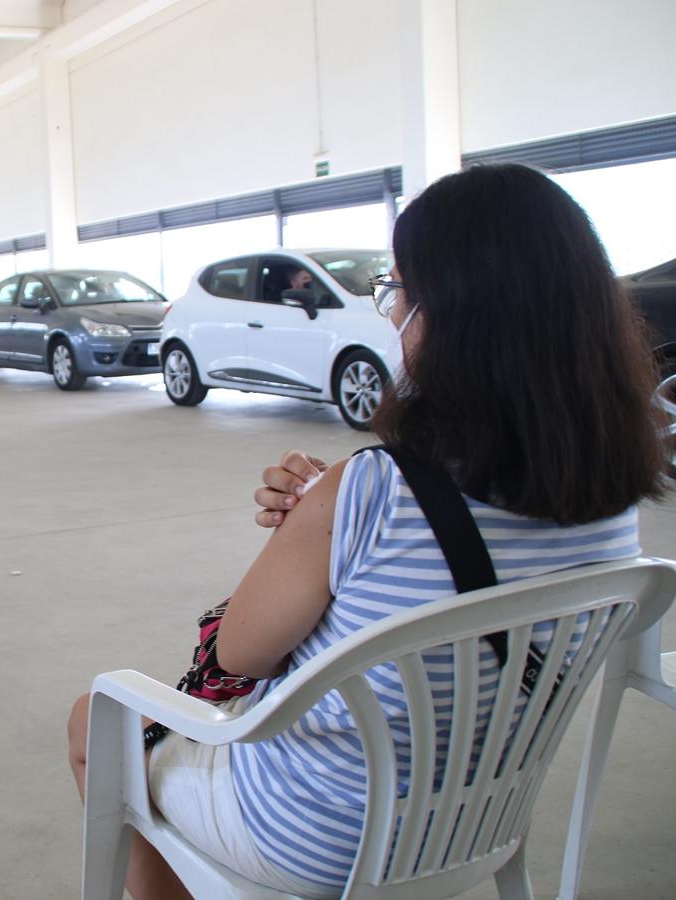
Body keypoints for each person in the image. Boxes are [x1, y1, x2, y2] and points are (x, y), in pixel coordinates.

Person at [67, 163, 667, 899]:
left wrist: (315, 520)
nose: (391, 314)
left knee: (94, 719)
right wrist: (328, 519)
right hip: (476, 818)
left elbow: (240, 654)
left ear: (450, 312)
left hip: (314, 836)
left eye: (398, 290)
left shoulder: (374, 489)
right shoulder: (614, 496)